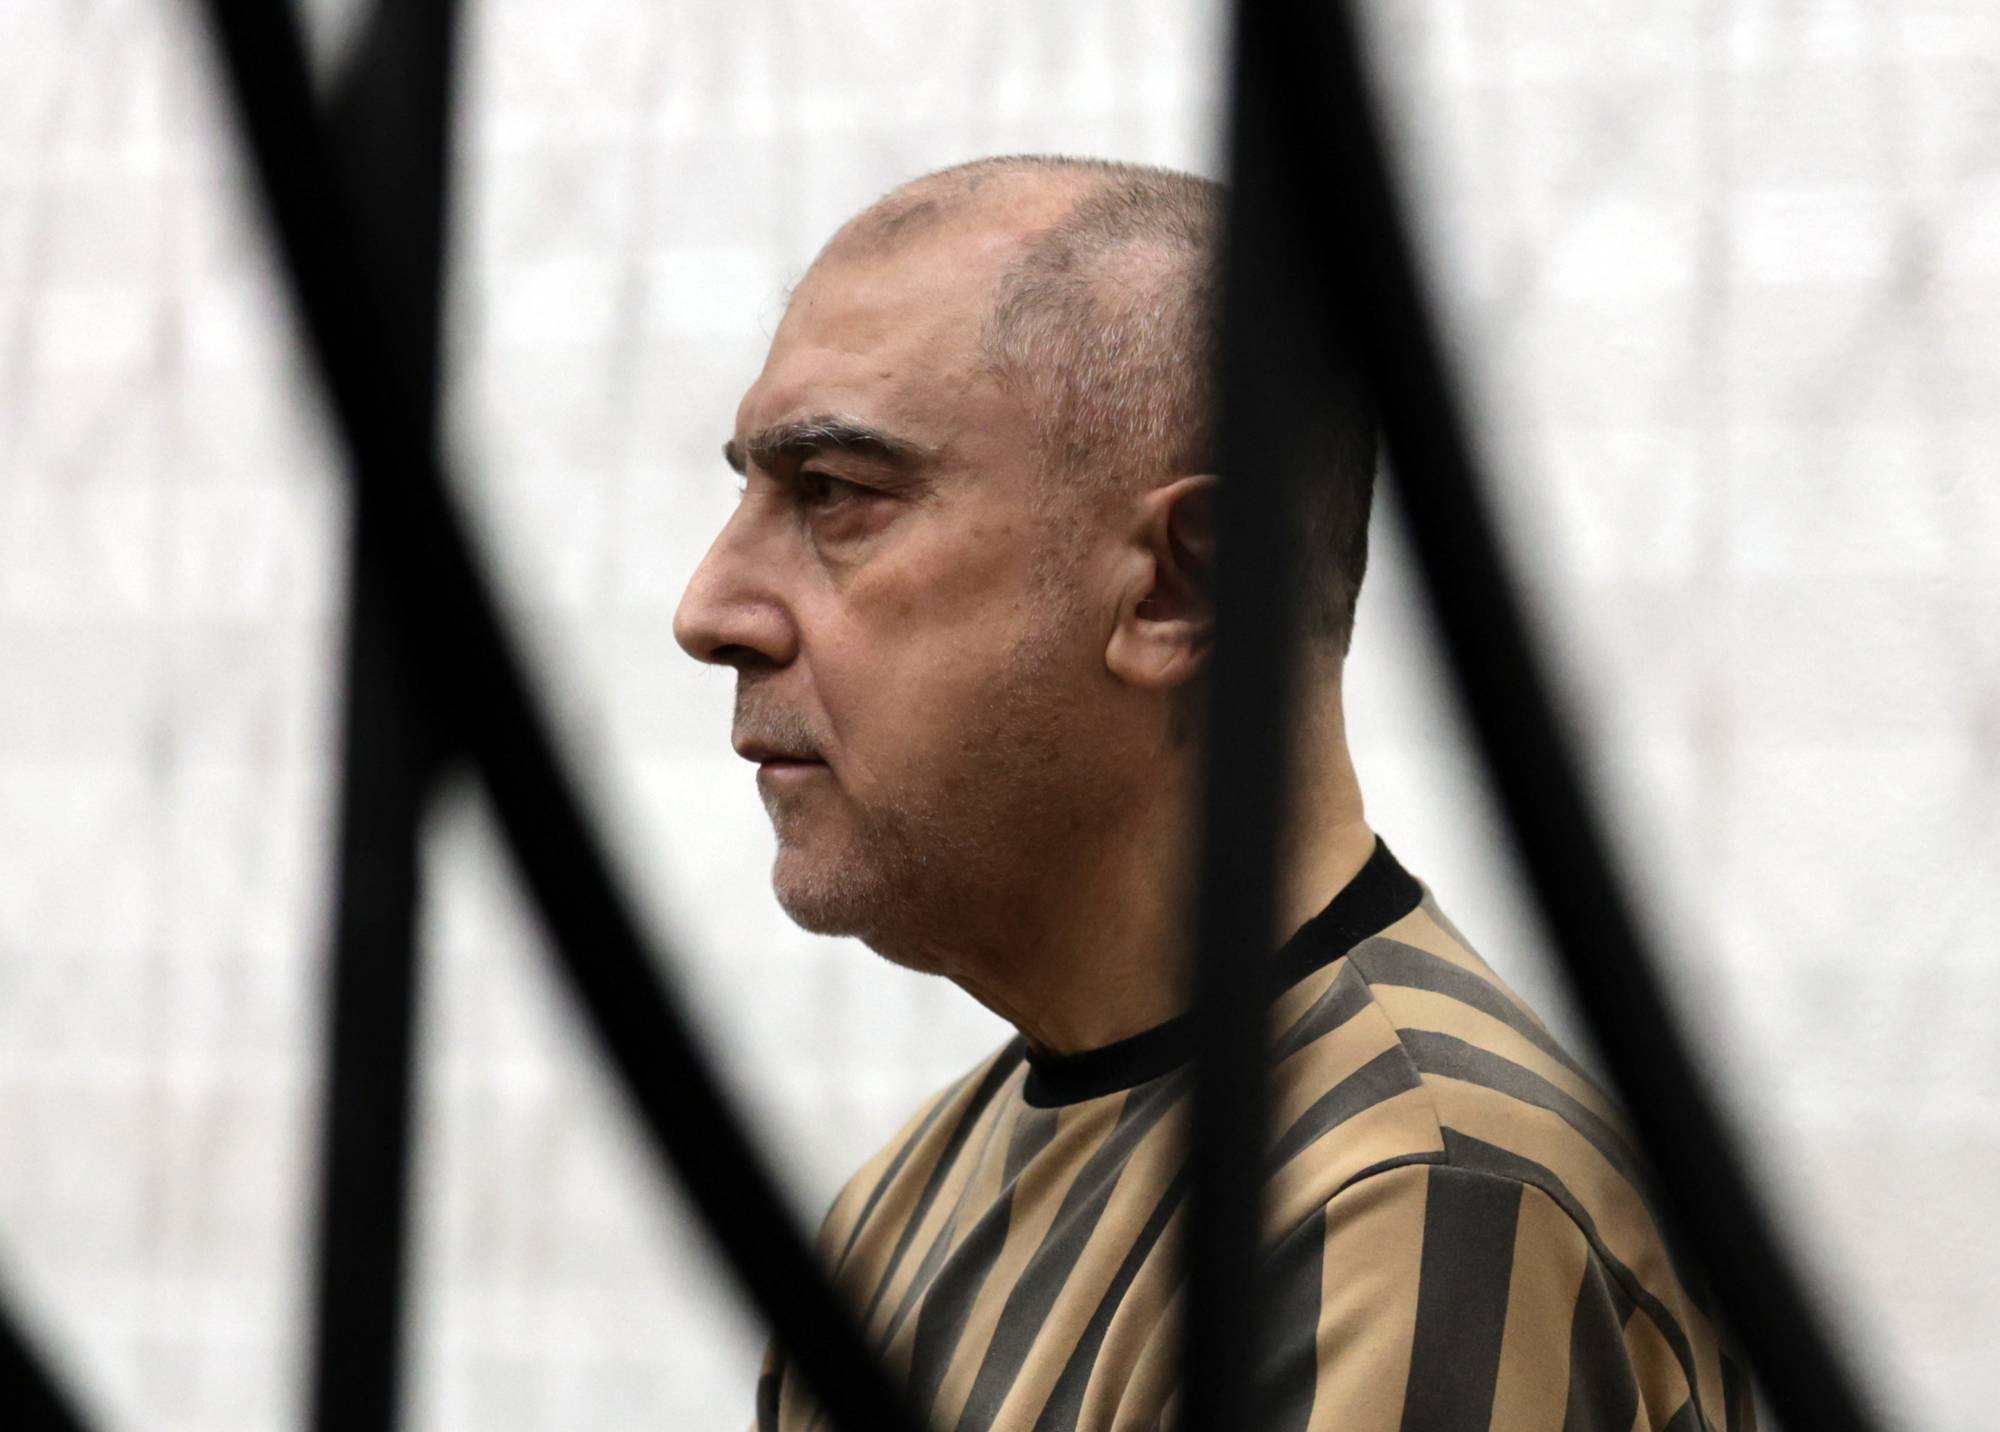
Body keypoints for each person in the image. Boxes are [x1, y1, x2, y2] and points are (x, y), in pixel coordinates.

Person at [674, 156, 1754, 1432]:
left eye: (835, 495)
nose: (709, 609)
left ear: (1178, 589)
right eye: (747, 490)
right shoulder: (897, 1208)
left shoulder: (1420, 1203)